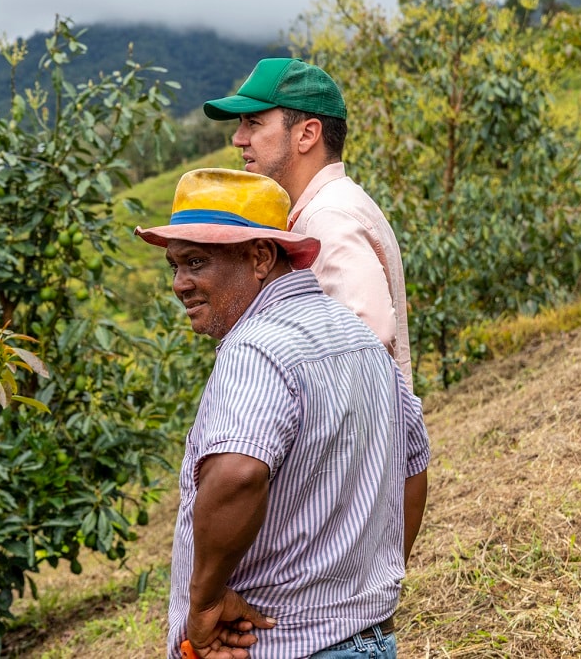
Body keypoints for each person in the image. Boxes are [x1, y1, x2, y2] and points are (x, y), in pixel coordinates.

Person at [134, 168, 430, 659]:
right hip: (369, 639)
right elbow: (413, 467)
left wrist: (204, 603)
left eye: (196, 262)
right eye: (174, 266)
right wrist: (365, 595)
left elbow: (237, 472)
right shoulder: (358, 337)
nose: (180, 284)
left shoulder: (256, 348)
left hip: (280, 645)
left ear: (260, 257)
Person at [201, 57, 413, 390]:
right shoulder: (329, 206)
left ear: (307, 135)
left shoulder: (328, 217)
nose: (238, 139)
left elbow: (369, 334)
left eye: (253, 123)